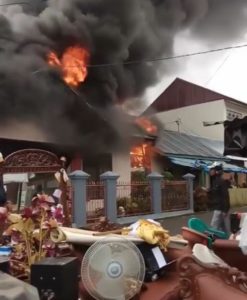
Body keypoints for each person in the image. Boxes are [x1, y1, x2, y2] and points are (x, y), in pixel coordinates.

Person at [208, 163, 230, 234]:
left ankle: (210, 242)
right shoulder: (215, 181)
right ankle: (228, 242)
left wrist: (225, 210)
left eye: (212, 170)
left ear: (216, 171)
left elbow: (225, 196)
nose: (210, 171)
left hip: (220, 209)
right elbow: (215, 193)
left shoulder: (221, 181)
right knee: (223, 228)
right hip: (218, 208)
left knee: (214, 227)